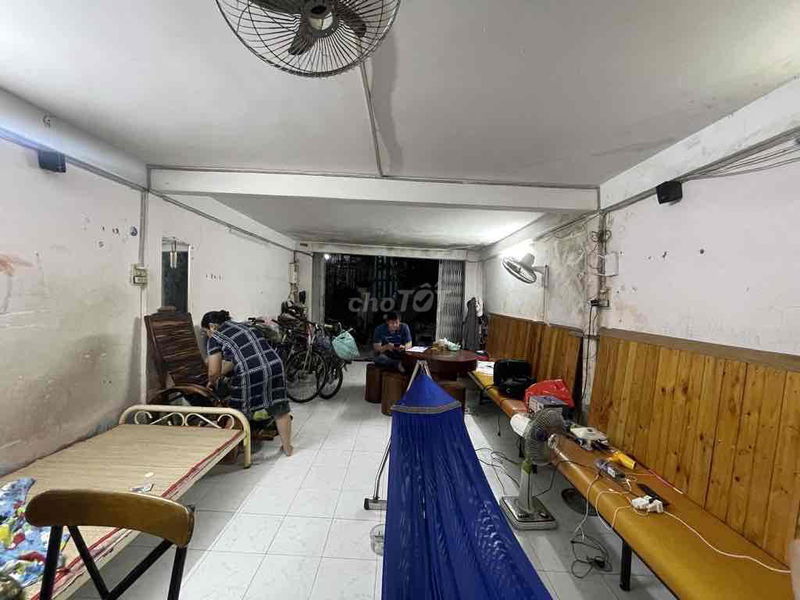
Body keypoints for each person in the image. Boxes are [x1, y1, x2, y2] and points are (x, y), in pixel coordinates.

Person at [201, 310, 293, 456]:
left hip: (250, 372)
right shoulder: (245, 326)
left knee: (237, 412)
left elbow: (213, 371)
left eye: (206, 332)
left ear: (212, 326)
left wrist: (211, 382)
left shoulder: (215, 337)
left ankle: (228, 453)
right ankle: (287, 448)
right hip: (275, 364)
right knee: (279, 407)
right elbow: (238, 359)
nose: (207, 335)